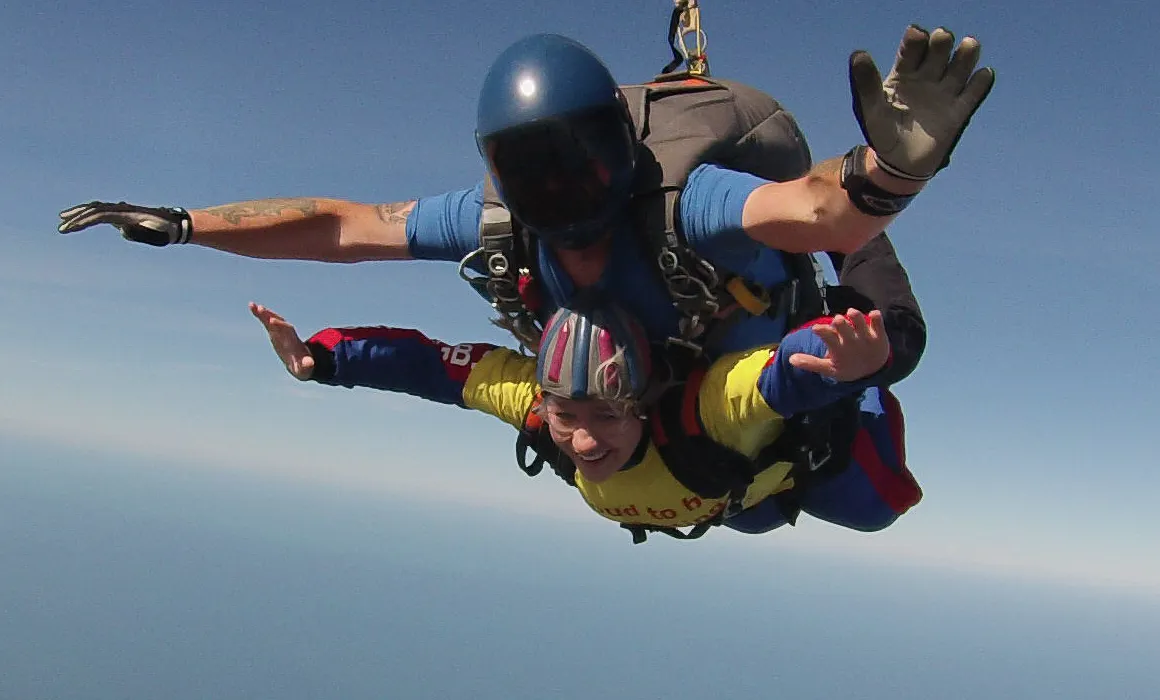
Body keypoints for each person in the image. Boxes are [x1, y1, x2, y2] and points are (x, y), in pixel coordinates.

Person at [57, 24, 993, 370]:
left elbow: (819, 212)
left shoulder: (683, 203)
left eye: (576, 162)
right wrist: (188, 225)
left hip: (739, 350)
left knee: (848, 494)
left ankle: (869, 338)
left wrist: (890, 171)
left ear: (620, 153)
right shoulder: (497, 218)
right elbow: (342, 227)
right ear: (497, 169)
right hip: (637, 387)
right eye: (528, 169)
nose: (557, 192)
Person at [250, 295, 920, 543]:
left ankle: (868, 270)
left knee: (876, 507)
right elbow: (429, 366)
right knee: (750, 518)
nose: (582, 437)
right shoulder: (538, 409)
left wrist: (840, 353)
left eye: (608, 414)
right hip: (727, 497)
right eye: (567, 413)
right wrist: (323, 358)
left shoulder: (706, 412)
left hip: (768, 472)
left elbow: (773, 378)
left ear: (649, 401)